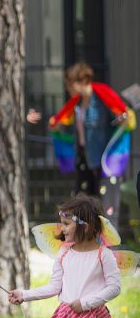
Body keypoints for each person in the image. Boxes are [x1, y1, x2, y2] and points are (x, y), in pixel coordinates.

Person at [49, 62, 135, 223]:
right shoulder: (77, 105)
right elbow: (74, 133)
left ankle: (108, 247)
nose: (68, 88)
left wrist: (123, 119)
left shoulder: (103, 99)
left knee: (105, 212)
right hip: (84, 160)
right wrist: (57, 126)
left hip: (104, 163)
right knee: (82, 208)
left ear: (82, 81)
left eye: (70, 84)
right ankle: (88, 247)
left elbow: (120, 118)